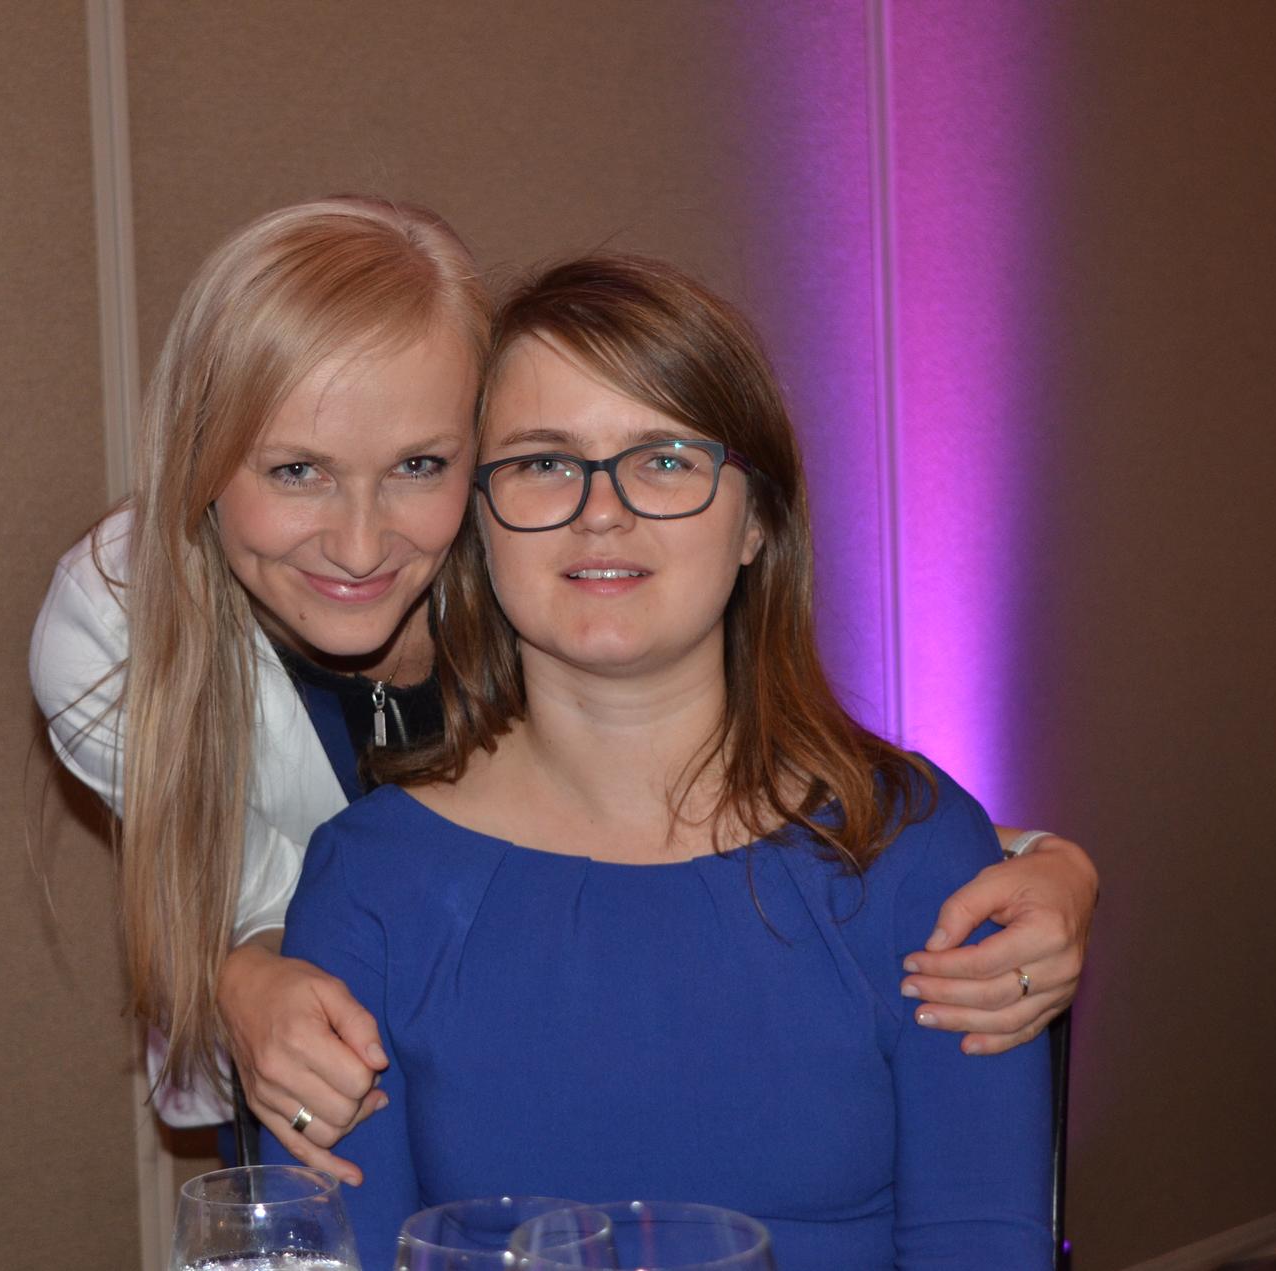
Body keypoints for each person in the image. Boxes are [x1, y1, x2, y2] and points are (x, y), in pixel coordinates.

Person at [29, 197, 1095, 1184]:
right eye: (295, 470)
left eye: (420, 464)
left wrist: (1045, 863)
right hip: (348, 1069)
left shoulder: (547, 571)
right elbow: (242, 897)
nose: (359, 544)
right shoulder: (116, 631)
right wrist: (241, 976)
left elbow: (754, 814)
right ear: (201, 465)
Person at [262, 253, 1054, 1266]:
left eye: (667, 459)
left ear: (757, 520)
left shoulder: (912, 850)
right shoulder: (370, 880)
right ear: (477, 524)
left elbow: (982, 1243)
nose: (603, 509)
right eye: (543, 462)